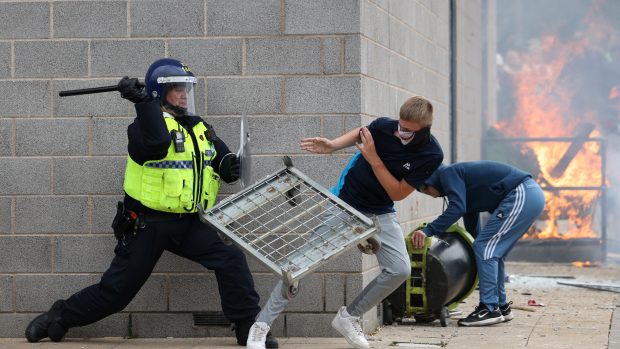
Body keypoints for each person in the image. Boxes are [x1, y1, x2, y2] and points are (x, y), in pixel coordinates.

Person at [24, 58, 278, 348]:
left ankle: (247, 329)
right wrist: (142, 102)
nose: (184, 94)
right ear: (159, 93)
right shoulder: (142, 128)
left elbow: (219, 158)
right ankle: (60, 316)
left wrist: (229, 165)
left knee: (231, 259)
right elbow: (156, 144)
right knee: (116, 293)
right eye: (177, 89)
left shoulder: (199, 127)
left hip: (188, 223)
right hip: (148, 225)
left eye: (186, 88)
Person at [245, 96, 443, 349]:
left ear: (424, 130)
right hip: (345, 203)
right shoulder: (385, 127)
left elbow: (397, 193)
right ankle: (260, 326)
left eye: (407, 130)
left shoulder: (431, 154)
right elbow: (361, 133)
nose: (399, 131)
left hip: (381, 210)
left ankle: (349, 317)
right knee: (299, 264)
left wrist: (374, 160)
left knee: (400, 269)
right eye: (399, 125)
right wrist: (332, 145)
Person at [411, 161, 545, 326]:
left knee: (486, 248)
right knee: (493, 252)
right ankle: (501, 306)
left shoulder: (449, 173)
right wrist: (476, 248)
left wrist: (428, 230)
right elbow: (470, 218)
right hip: (529, 195)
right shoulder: (459, 183)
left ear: (431, 180)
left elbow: (457, 208)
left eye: (425, 189)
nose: (428, 194)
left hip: (522, 193)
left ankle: (489, 308)